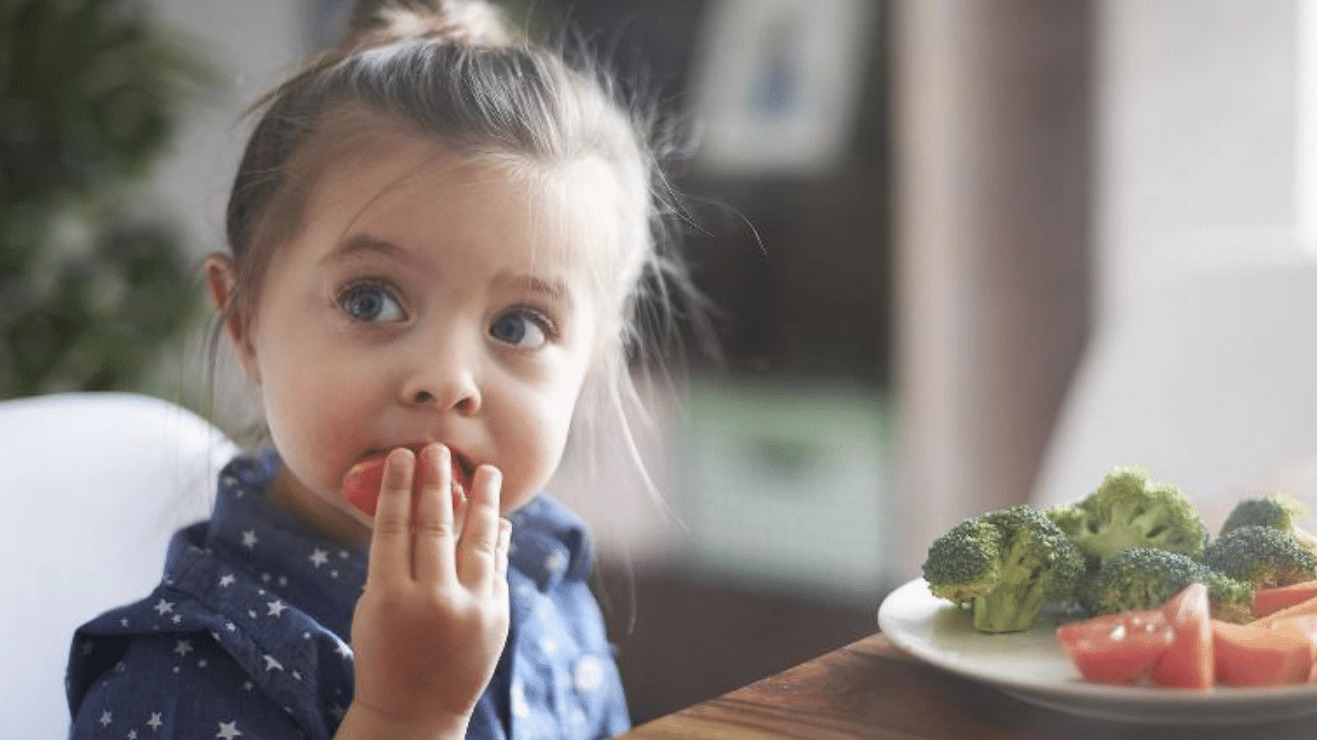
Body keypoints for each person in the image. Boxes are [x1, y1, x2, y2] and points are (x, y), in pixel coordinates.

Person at [65, 1, 704, 737]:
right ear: (244, 321)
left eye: (517, 325)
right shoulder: (177, 687)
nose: (446, 378)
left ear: (590, 365)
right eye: (370, 301)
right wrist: (406, 713)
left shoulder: (544, 571)